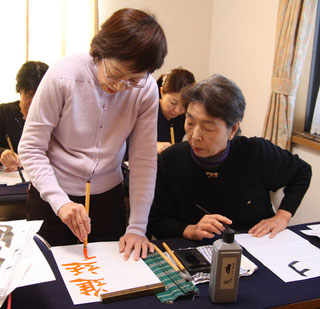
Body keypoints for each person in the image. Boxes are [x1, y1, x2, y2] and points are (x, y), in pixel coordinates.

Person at [18, 8, 167, 260]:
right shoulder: (62, 75)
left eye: (132, 80)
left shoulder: (146, 89)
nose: (120, 87)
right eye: (116, 74)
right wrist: (60, 202)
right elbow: (31, 148)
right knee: (50, 281)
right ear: (101, 51)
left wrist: (137, 228)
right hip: (53, 195)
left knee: (109, 279)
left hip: (107, 200)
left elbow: (143, 161)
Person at [147, 74, 312, 240]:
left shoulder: (255, 152)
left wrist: (282, 217)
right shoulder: (171, 160)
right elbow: (155, 221)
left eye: (208, 128)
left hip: (253, 243)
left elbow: (302, 171)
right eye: (190, 123)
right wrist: (190, 229)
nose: (195, 136)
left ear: (232, 130)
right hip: (197, 250)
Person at [0, 61, 48, 172]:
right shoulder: (3, 113)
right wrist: (2, 153)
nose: (33, 102)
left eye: (39, 97)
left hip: (43, 180)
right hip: (9, 184)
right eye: (29, 95)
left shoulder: (53, 118)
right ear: (20, 90)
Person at [156, 68, 195, 153]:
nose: (177, 110)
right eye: (173, 103)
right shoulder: (147, 110)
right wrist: (154, 145)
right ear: (162, 92)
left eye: (184, 105)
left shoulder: (184, 117)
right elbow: (128, 141)